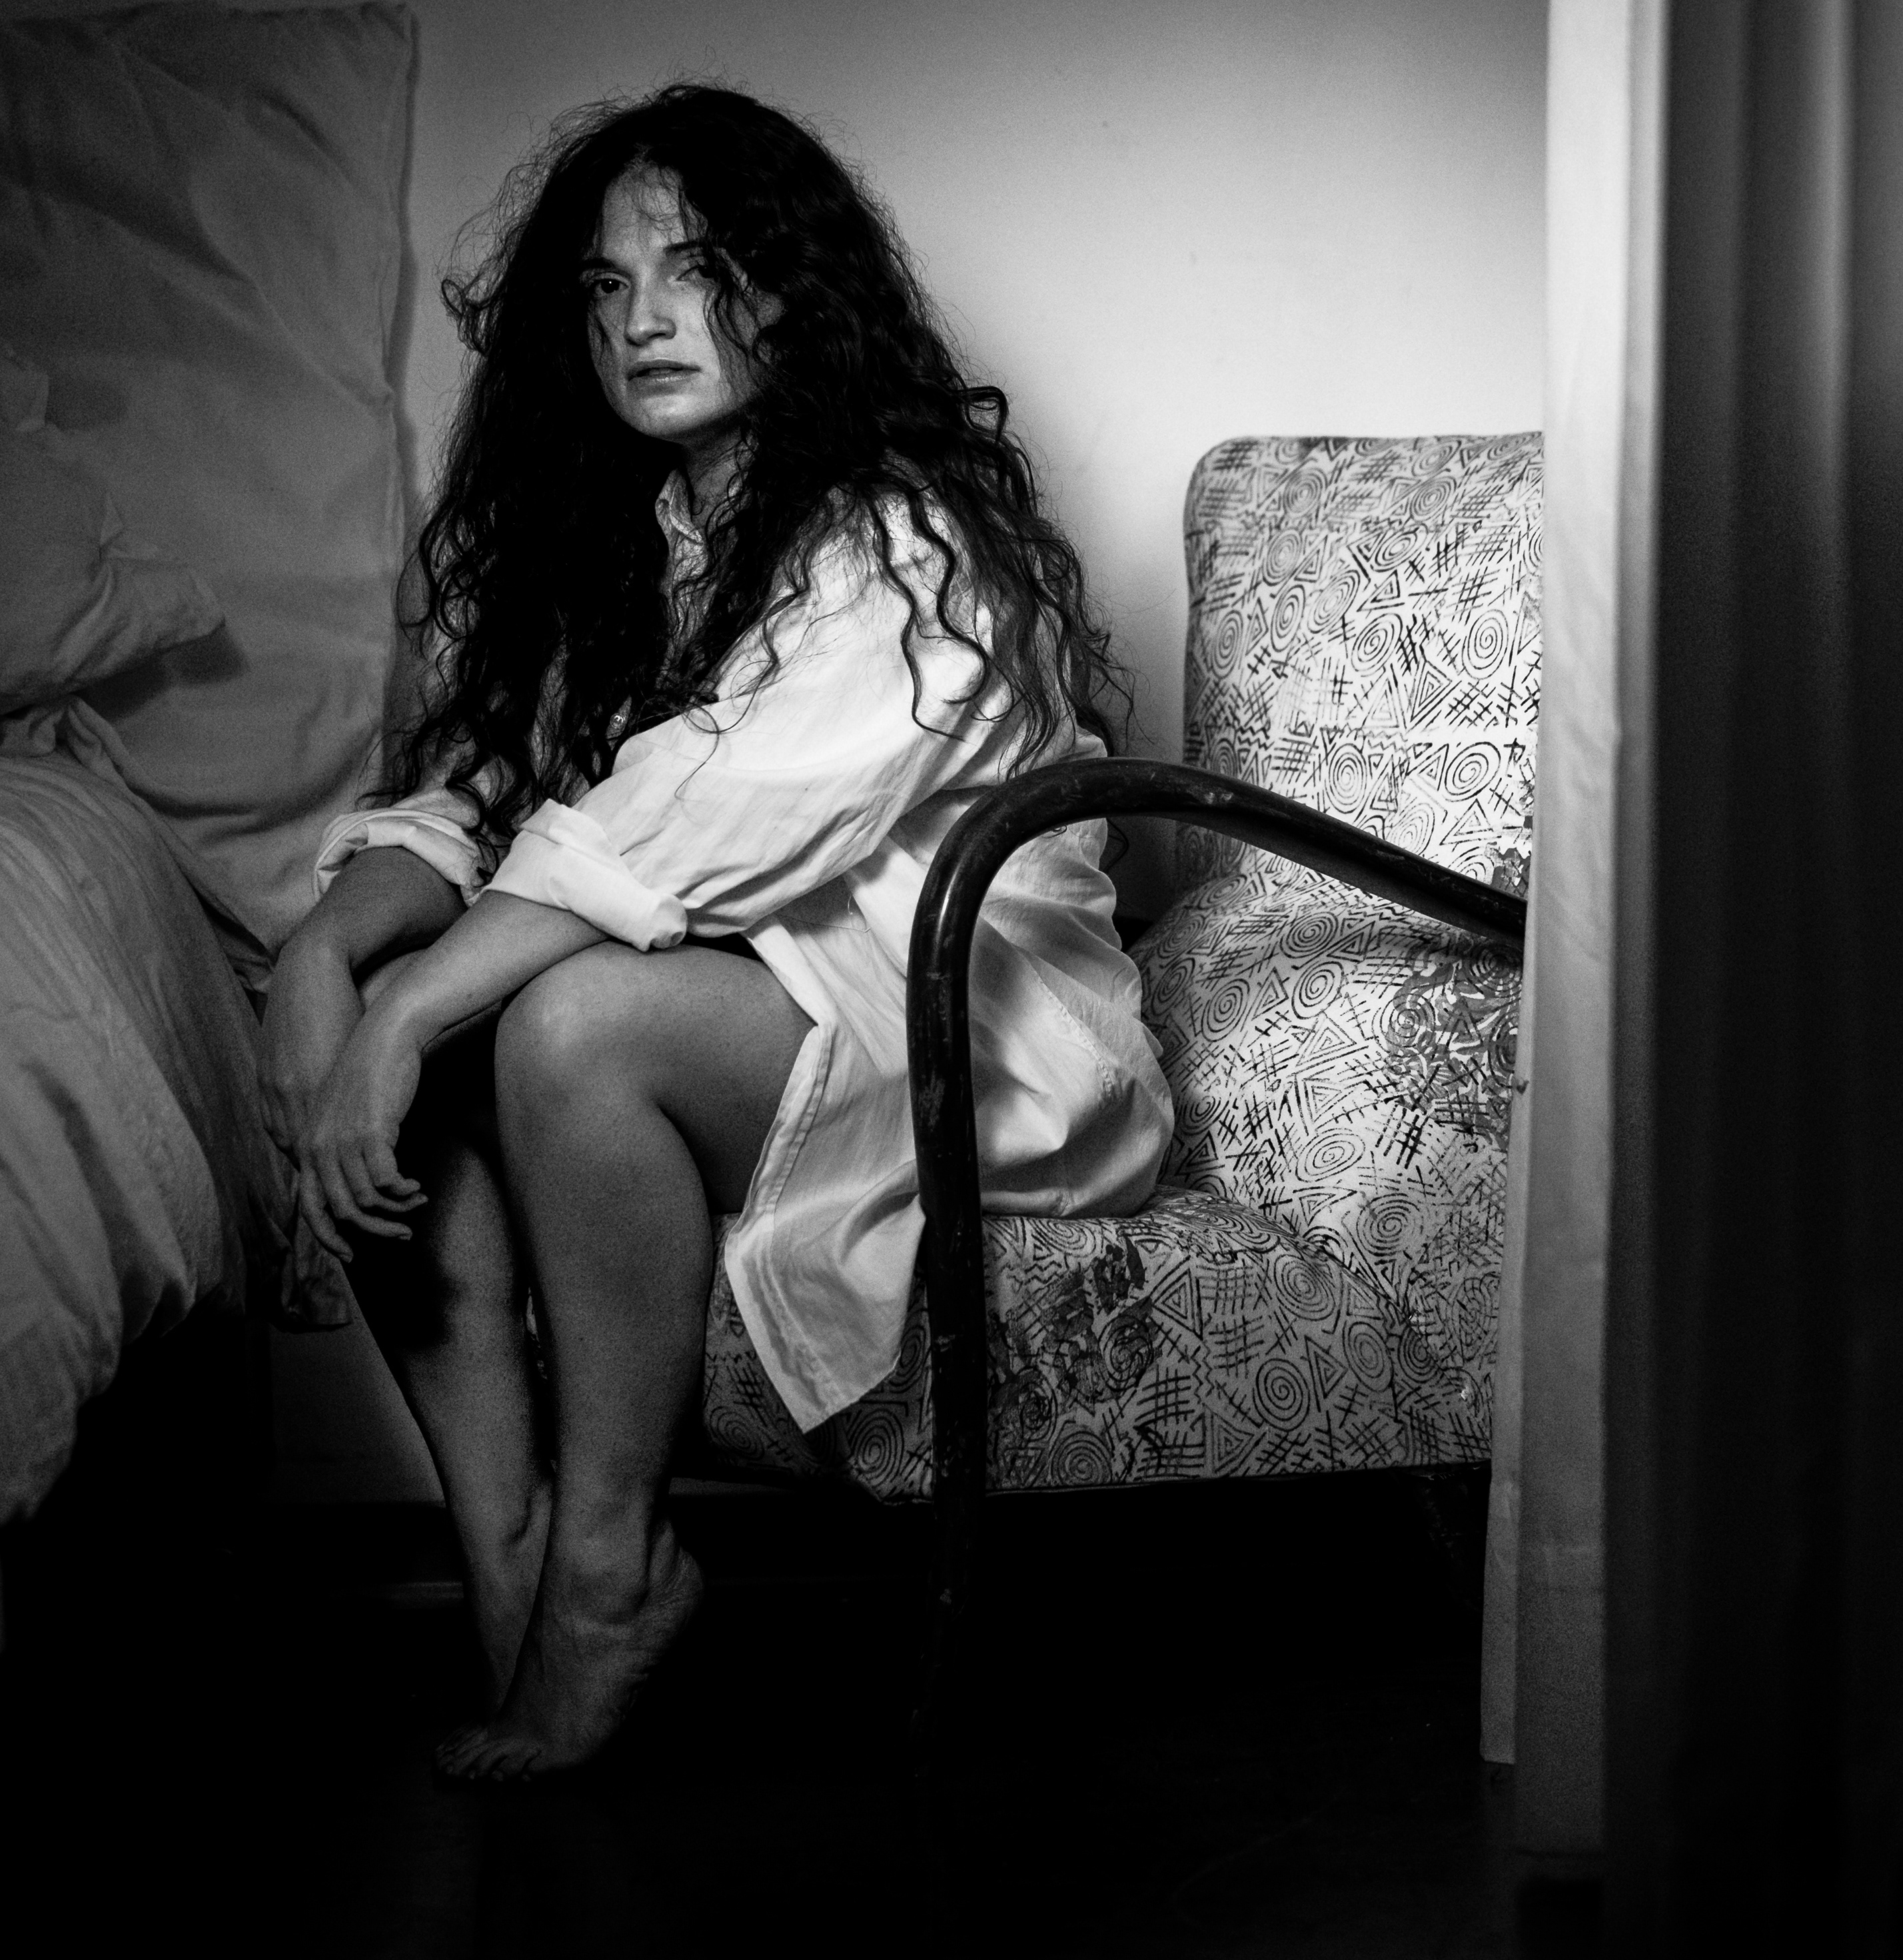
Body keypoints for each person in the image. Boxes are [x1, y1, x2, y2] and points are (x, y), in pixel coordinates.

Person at [259, 85, 1172, 1781]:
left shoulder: (909, 548)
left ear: (795, 292)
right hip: (776, 1029)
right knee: (440, 995)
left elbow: (684, 822)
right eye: (606, 288)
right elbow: (483, 804)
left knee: (565, 1019)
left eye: (695, 268)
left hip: (981, 1058)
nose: (645, 320)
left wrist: (398, 1020)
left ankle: (611, 1563)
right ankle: (512, 1566)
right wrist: (328, 966)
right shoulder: (626, 553)